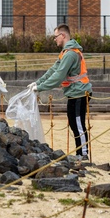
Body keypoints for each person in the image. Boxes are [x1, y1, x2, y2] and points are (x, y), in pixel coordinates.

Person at [29, 24, 92, 159]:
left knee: (78, 124)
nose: (54, 39)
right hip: (74, 93)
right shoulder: (65, 53)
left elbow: (58, 76)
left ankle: (83, 155)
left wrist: (40, 88)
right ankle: (80, 153)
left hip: (80, 92)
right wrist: (38, 82)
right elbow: (53, 70)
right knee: (74, 123)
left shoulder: (70, 54)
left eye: (55, 36)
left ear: (63, 36)